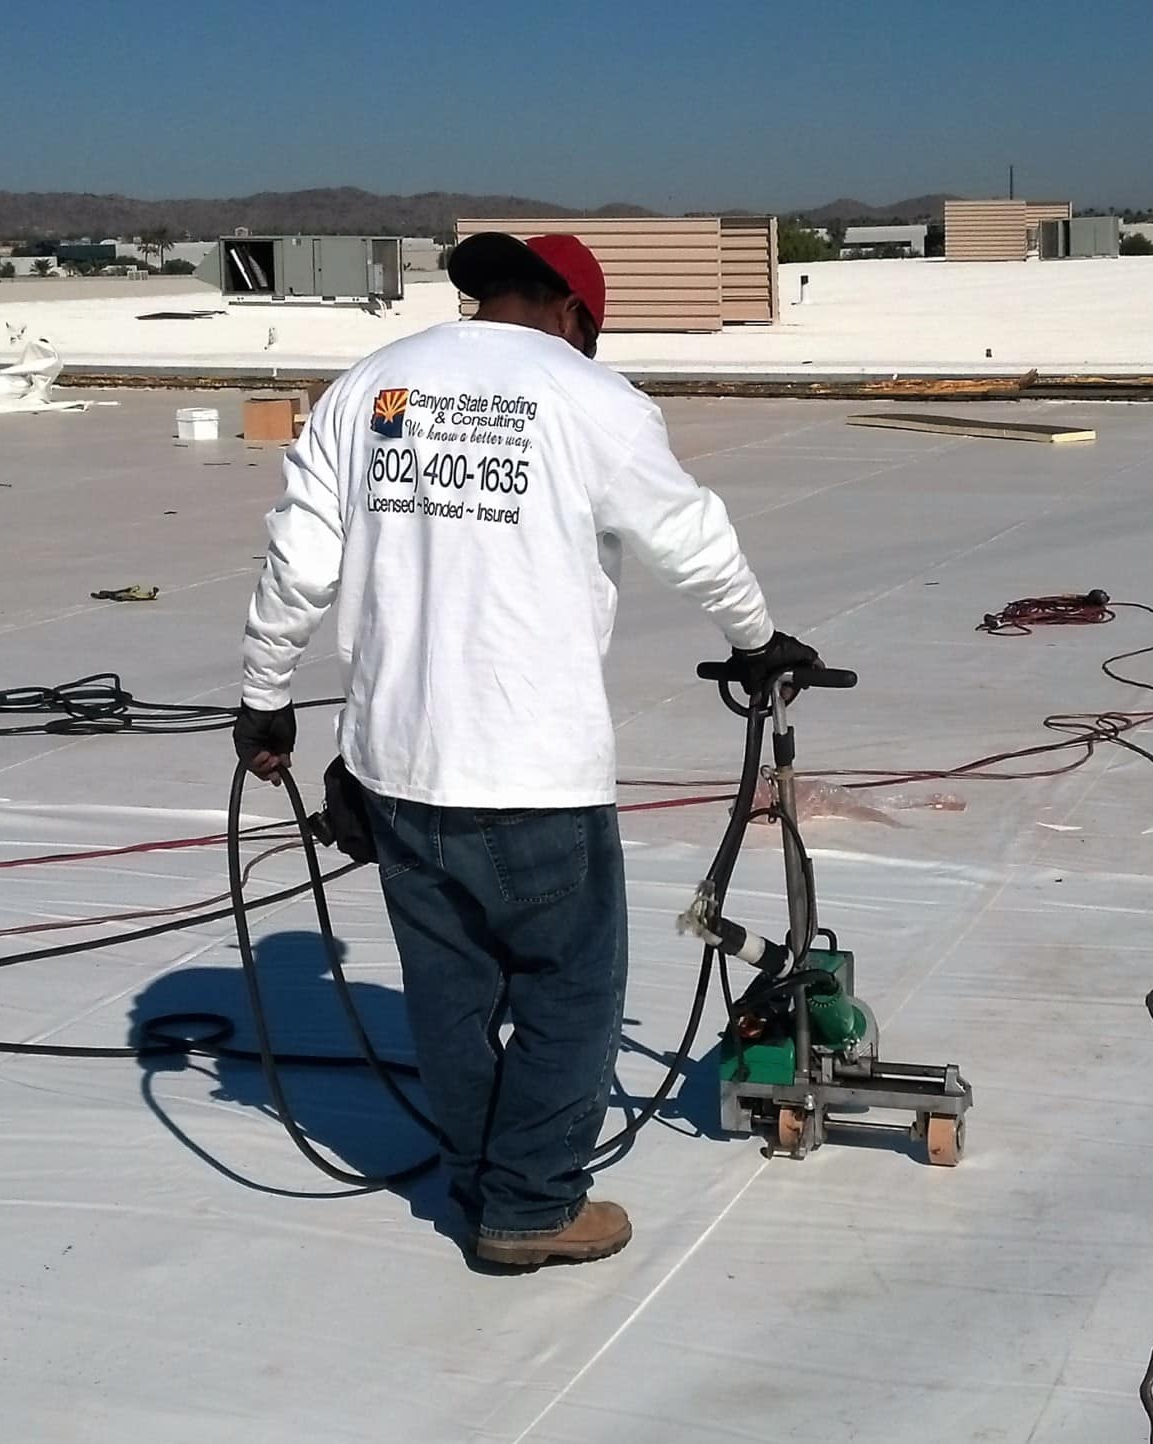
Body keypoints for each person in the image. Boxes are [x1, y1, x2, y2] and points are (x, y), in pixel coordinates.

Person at [232, 232, 820, 1268]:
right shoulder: (587, 395)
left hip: (393, 766)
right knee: (569, 989)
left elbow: (299, 556)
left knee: (449, 990)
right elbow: (686, 532)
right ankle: (534, 1203)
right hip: (530, 763)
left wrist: (264, 695)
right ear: (577, 316)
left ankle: (480, 1181)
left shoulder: (370, 384)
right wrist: (756, 638)